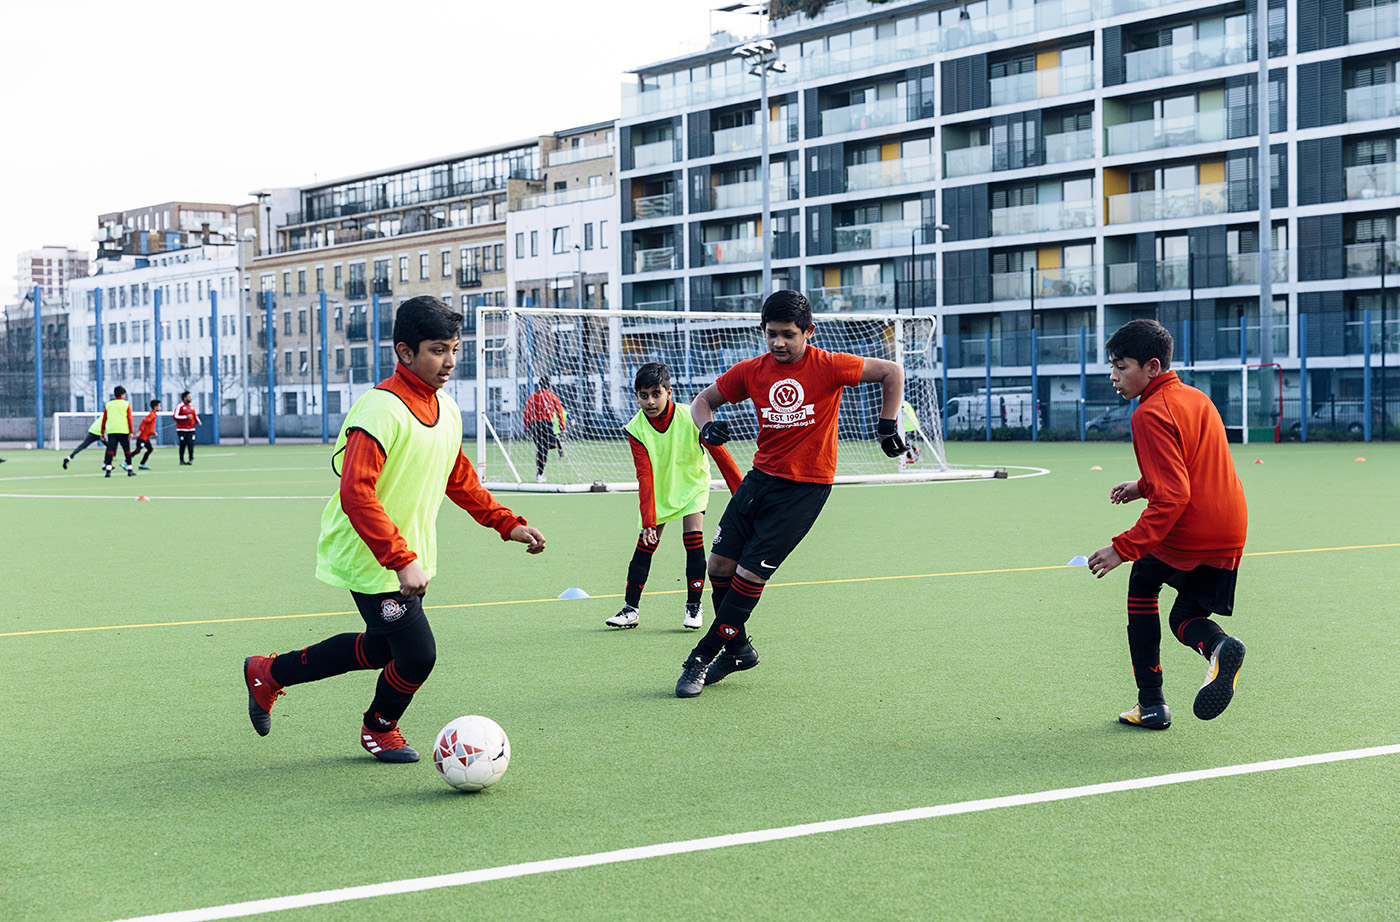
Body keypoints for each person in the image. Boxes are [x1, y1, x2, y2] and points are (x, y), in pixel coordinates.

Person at [242, 296, 547, 763]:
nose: (449, 362)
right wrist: (400, 559)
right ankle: (378, 728)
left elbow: (458, 477)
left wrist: (507, 524)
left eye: (454, 349)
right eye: (437, 350)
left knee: (383, 648)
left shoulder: (446, 409)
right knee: (417, 654)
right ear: (405, 353)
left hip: (405, 558)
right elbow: (356, 494)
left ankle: (269, 673)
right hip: (371, 555)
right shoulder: (379, 410)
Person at [676, 290, 907, 698]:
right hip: (759, 480)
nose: (778, 342)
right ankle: (739, 648)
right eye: (771, 334)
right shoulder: (751, 370)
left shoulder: (830, 365)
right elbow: (702, 402)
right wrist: (705, 428)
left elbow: (892, 371)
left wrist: (887, 425)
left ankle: (701, 655)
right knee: (719, 568)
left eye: (787, 334)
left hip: (805, 489)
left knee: (749, 577)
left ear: (808, 332)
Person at [1087, 319, 1248, 731]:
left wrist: (1122, 548)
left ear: (1152, 367)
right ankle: (1218, 646)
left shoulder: (1149, 413)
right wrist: (1142, 485)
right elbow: (1187, 466)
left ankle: (1152, 704)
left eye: (1121, 367)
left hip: (1190, 527)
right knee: (1186, 615)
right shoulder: (1196, 398)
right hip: (1230, 528)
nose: (1113, 377)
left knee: (1142, 582)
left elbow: (1174, 496)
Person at [606, 361, 744, 631]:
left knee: (692, 540)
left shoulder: (692, 415)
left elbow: (720, 455)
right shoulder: (636, 429)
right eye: (643, 396)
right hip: (660, 490)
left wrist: (741, 494)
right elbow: (644, 476)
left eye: (656, 393)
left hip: (692, 485)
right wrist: (648, 519)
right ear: (636, 396)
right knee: (646, 544)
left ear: (669, 392)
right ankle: (630, 609)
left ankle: (694, 606)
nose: (650, 401)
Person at [523, 376, 566, 483]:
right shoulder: (553, 397)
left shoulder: (532, 397)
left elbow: (527, 413)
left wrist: (526, 427)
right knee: (545, 448)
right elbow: (559, 412)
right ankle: (540, 474)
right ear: (549, 386)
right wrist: (562, 427)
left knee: (541, 449)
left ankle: (540, 474)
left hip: (536, 425)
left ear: (538, 386)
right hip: (547, 424)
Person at [100, 386, 136, 478]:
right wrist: (131, 431)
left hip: (112, 430)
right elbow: (129, 419)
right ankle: (129, 469)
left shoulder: (109, 404)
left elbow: (104, 419)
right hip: (123, 430)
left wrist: (102, 432)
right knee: (127, 450)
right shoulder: (126, 404)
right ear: (123, 394)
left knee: (110, 450)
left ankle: (108, 470)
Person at [134, 399, 161, 470]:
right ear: (155, 407)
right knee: (138, 450)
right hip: (142, 437)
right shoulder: (152, 414)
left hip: (146, 438)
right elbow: (144, 422)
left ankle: (142, 464)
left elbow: (149, 426)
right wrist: (139, 432)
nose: (160, 407)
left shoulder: (154, 414)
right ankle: (125, 462)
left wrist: (153, 432)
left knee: (150, 449)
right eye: (159, 406)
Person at [174, 391, 200, 465]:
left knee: (191, 444)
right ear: (185, 398)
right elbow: (175, 416)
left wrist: (198, 421)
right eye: (189, 397)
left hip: (191, 429)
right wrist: (185, 417)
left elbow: (194, 415)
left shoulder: (192, 406)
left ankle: (190, 459)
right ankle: (181, 460)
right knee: (183, 444)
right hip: (182, 429)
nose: (190, 398)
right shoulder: (180, 406)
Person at [898, 397, 921, 468]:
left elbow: (902, 416)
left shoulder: (901, 404)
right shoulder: (906, 403)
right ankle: (914, 451)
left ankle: (911, 457)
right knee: (905, 442)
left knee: (903, 443)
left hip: (908, 426)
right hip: (913, 425)